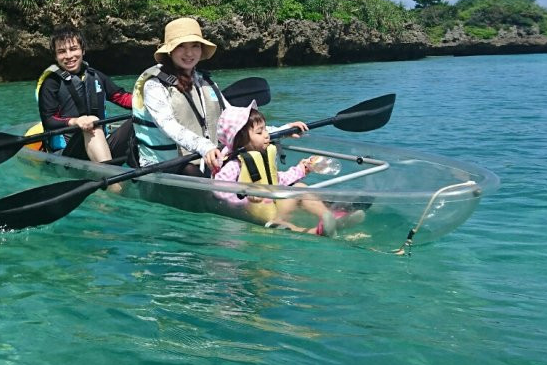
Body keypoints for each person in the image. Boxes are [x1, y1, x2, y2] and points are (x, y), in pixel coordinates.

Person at [212, 101, 365, 236]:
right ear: (240, 139)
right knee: (281, 226)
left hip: (275, 205)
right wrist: (246, 195)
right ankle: (317, 232)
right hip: (255, 213)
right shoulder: (234, 164)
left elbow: (278, 180)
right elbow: (218, 189)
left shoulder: (263, 155)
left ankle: (330, 218)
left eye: (265, 129)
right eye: (259, 132)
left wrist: (303, 169)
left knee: (299, 188)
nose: (266, 135)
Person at [131, 17, 226, 176]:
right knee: (193, 173)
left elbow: (230, 114)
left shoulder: (205, 81)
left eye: (195, 46)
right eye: (181, 46)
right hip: (163, 164)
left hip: (206, 157)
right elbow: (169, 126)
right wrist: (205, 146)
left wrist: (264, 130)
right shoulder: (154, 85)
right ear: (170, 50)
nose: (189, 53)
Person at [36, 27, 133, 163]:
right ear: (55, 56)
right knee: (91, 123)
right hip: (68, 153)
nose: (69, 56)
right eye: (62, 51)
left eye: (74, 49)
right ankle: (114, 183)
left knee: (139, 120)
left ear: (83, 50)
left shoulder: (96, 76)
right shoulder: (51, 83)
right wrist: (76, 121)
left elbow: (122, 97)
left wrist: (150, 102)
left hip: (101, 145)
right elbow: (49, 120)